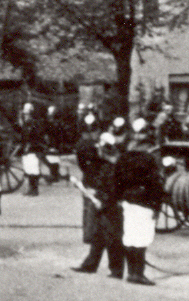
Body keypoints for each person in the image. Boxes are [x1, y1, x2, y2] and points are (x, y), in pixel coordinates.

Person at [109, 118, 166, 285]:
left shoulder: (125, 155)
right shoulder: (151, 156)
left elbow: (116, 179)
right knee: (142, 237)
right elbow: (156, 183)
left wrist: (119, 198)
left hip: (128, 200)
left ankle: (131, 272)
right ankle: (138, 273)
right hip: (145, 201)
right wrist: (157, 205)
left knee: (130, 236)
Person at [71, 115, 125, 278]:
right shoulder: (93, 153)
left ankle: (115, 269)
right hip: (98, 194)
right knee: (98, 231)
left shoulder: (112, 166)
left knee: (111, 234)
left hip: (107, 199)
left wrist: (100, 197)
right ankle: (92, 264)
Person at [74, 114, 102, 245]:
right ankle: (91, 234)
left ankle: (87, 234)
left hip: (87, 177)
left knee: (87, 206)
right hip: (95, 177)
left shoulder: (80, 144)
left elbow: (81, 164)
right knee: (93, 206)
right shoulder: (95, 145)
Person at [17, 103, 48, 197]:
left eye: (27, 114)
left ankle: (34, 190)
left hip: (33, 148)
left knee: (33, 169)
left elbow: (35, 136)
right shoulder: (26, 123)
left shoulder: (34, 123)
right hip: (27, 149)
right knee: (28, 169)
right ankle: (31, 189)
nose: (25, 115)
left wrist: (30, 144)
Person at [42, 105, 64, 183]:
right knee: (50, 158)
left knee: (53, 158)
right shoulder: (49, 122)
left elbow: (58, 134)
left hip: (54, 143)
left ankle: (54, 175)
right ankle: (54, 173)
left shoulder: (56, 123)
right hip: (50, 142)